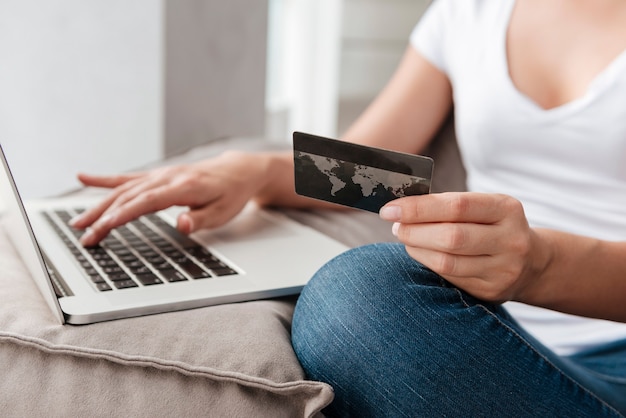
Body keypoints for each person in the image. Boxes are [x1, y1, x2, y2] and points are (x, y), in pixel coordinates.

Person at [70, 0, 626, 415]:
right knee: (367, 296)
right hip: (490, 329)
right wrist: (254, 170)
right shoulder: (469, 13)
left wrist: (542, 264)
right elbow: (378, 171)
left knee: (354, 299)